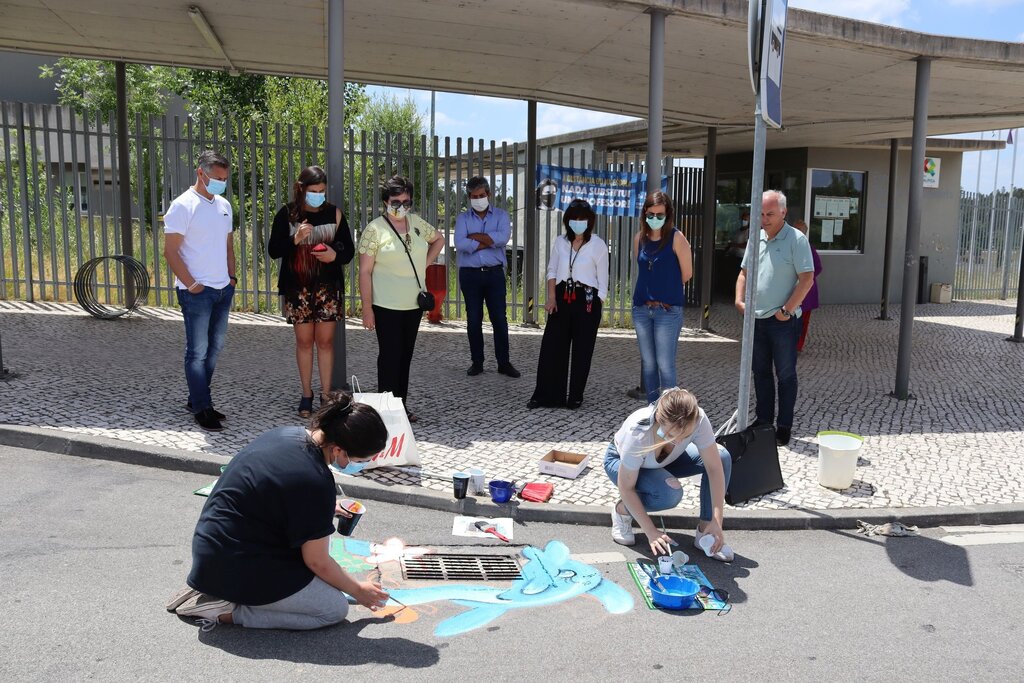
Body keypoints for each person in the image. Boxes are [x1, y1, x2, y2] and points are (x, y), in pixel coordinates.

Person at [166, 391, 391, 631]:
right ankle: (225, 609)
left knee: (328, 581)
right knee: (332, 608)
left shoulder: (286, 435)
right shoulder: (314, 481)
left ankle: (214, 587)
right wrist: (358, 590)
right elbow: (319, 562)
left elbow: (273, 493)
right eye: (360, 459)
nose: (360, 466)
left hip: (213, 550)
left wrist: (322, 507)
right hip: (237, 566)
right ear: (338, 449)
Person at [603, 388, 734, 562]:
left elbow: (714, 468)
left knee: (722, 456)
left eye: (685, 436)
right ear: (659, 419)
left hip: (666, 460)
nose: (679, 441)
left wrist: (717, 521)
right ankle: (622, 510)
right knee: (669, 493)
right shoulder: (638, 432)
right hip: (619, 462)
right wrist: (651, 531)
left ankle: (705, 531)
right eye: (672, 435)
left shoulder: (698, 418)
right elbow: (626, 488)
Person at [268, 166, 355, 417]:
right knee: (304, 342)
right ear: (302, 189)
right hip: (298, 288)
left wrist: (333, 255)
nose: (318, 195)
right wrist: (295, 239)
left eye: (322, 191)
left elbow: (348, 252)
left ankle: (326, 395)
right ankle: (306, 394)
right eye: (313, 191)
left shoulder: (335, 214)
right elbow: (274, 250)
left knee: (326, 343)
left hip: (328, 289)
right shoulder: (288, 213)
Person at [358, 175, 444, 423]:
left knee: (405, 356)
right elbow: (364, 271)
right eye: (396, 201)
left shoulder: (416, 222)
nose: (401, 206)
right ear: (385, 201)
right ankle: (385, 410)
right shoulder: (374, 230)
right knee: (389, 356)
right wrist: (366, 308)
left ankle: (401, 405)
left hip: (412, 304)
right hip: (385, 304)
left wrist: (424, 263)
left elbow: (438, 239)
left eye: (406, 201)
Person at [163, 150, 236, 432]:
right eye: (217, 178)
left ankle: (197, 399)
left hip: (221, 290)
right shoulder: (182, 205)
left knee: (214, 348)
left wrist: (231, 278)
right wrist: (191, 284)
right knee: (197, 351)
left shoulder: (224, 205)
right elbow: (170, 252)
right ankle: (203, 407)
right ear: (200, 173)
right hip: (197, 292)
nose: (221, 183)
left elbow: (228, 246)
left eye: (225, 179)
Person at [735, 190, 814, 447]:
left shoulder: (796, 239)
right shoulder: (754, 238)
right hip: (756, 319)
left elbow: (807, 279)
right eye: (760, 213)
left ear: (783, 212)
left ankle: (784, 425)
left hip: (783, 321)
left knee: (786, 374)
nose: (764, 218)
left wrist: (787, 311)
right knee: (760, 372)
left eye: (769, 214)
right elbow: (744, 273)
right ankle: (764, 420)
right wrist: (739, 300)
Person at [527, 199, 608, 410]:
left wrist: (597, 303)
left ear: (589, 222)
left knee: (582, 350)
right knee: (552, 348)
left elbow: (603, 280)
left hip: (587, 299)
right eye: (574, 219)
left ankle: (575, 396)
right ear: (567, 221)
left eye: (583, 219)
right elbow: (552, 270)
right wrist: (552, 297)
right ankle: (546, 395)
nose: (578, 223)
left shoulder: (598, 244)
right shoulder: (560, 242)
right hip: (562, 297)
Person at [454, 176, 520, 378]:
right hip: (470, 275)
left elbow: (503, 238)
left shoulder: (501, 215)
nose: (478, 199)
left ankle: (504, 362)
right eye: (474, 196)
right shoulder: (462, 219)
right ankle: (477, 362)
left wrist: (475, 238)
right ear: (469, 197)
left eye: (482, 195)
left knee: (499, 319)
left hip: (494, 274)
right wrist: (489, 241)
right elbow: (460, 243)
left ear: (488, 194)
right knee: (474, 319)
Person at [632, 191, 694, 403]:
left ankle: (670, 414)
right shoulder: (639, 239)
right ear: (644, 214)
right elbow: (641, 269)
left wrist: (665, 289)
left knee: (665, 364)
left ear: (668, 215)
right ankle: (652, 409)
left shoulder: (677, 238)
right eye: (651, 214)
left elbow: (686, 273)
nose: (655, 219)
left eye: (660, 215)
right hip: (641, 310)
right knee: (648, 363)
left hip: (667, 311)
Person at [791, 219, 822, 352]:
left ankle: (797, 345)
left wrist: (805, 278)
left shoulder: (807, 248)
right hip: (794, 290)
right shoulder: (793, 246)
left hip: (805, 291)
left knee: (802, 320)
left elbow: (818, 268)